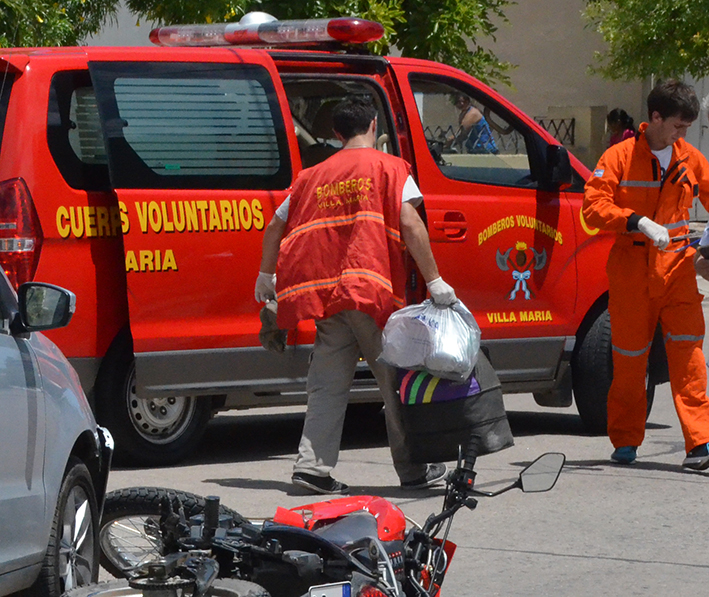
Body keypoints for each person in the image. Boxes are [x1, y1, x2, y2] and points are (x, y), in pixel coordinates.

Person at [254, 96, 457, 494]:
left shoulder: (312, 175)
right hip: (371, 292)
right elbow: (410, 222)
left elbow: (276, 225)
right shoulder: (388, 167)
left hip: (328, 298)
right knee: (397, 380)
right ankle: (414, 468)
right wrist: (435, 281)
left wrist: (266, 275)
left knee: (327, 385)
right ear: (373, 126)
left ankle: (312, 468)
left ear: (335, 133)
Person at [583, 80, 709, 470]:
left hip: (677, 271)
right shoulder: (619, 156)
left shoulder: (690, 158)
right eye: (677, 126)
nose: (682, 134)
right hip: (632, 273)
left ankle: (700, 444)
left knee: (689, 358)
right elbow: (592, 209)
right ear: (654, 118)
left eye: (686, 128)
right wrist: (636, 221)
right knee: (630, 362)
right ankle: (625, 441)